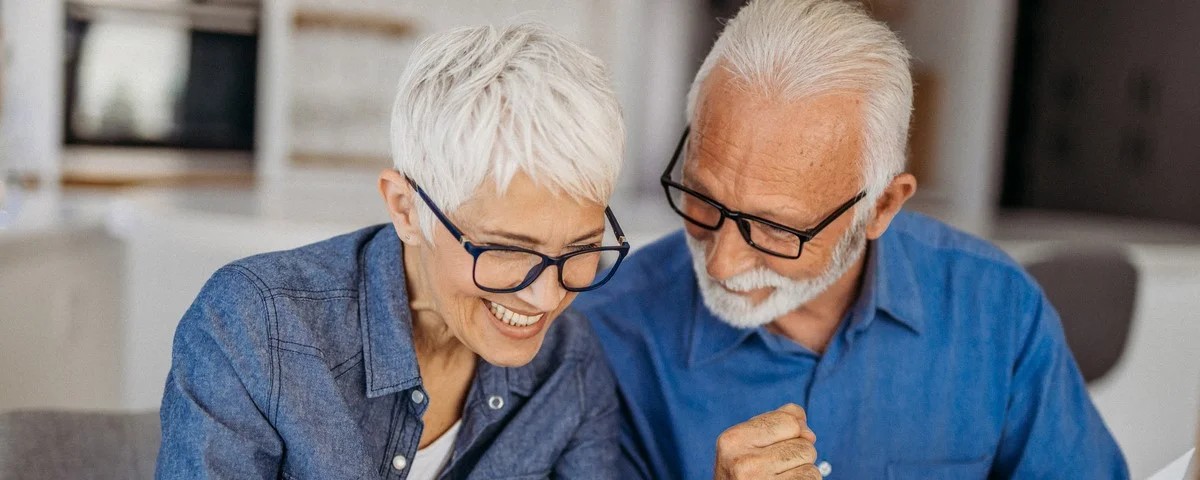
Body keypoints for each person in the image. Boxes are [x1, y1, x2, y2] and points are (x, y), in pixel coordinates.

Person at [571, 0, 1129, 478]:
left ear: (882, 206)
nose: (721, 263)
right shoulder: (603, 333)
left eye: (776, 228)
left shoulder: (996, 308)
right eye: (702, 198)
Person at [157, 22, 630, 479]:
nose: (547, 298)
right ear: (406, 210)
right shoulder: (253, 326)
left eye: (581, 248)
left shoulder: (570, 362)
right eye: (508, 250)